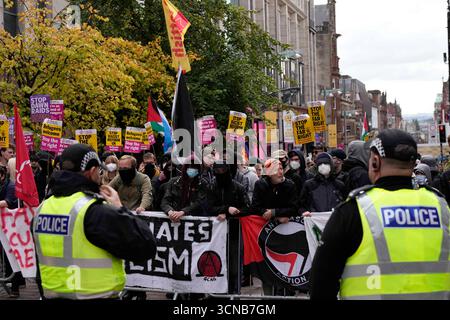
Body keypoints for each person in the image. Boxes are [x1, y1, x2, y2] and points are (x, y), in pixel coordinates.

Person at [310, 129, 450, 300]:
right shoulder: (442, 208)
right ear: (413, 164)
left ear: (375, 162)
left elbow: (321, 285)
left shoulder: (355, 209)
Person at [32, 144, 156, 299]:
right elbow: (145, 247)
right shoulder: (94, 210)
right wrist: (119, 208)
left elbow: (39, 266)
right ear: (92, 172)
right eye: (99, 170)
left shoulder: (43, 208)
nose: (100, 174)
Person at [251, 158, 299, 295]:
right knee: (268, 265)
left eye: (281, 169)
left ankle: (286, 294)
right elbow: (255, 206)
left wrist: (275, 212)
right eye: (276, 170)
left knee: (286, 265)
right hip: (266, 234)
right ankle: (268, 297)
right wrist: (265, 213)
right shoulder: (260, 185)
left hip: (286, 234)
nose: (280, 172)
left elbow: (294, 207)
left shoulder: (290, 185)